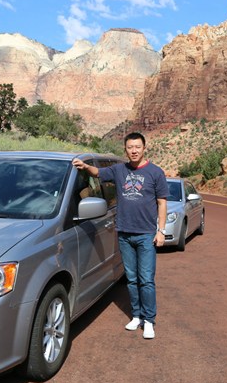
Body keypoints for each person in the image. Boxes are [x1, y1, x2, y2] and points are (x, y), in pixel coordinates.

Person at [72, 132, 168, 339]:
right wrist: (85, 166)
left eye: (137, 147)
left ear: (144, 148)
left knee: (146, 280)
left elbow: (162, 203)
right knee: (131, 279)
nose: (134, 151)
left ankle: (149, 320)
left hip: (146, 234)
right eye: (130, 147)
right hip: (124, 233)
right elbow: (97, 173)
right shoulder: (119, 170)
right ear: (125, 149)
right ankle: (136, 316)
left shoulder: (155, 172)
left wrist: (161, 231)